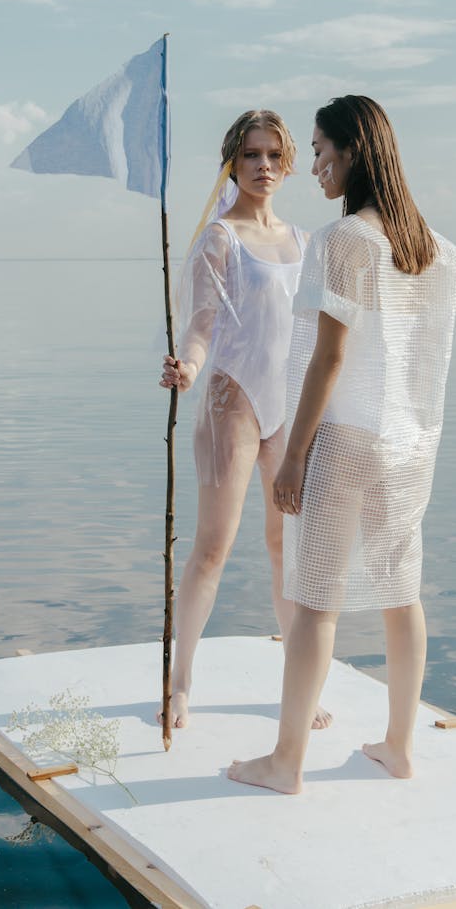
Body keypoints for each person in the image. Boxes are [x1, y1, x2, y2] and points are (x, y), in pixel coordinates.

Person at [228, 95, 456, 792]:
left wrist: (294, 452)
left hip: (348, 438)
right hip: (409, 444)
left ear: (354, 152)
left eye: (323, 154)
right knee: (401, 593)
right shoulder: (433, 248)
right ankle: (397, 745)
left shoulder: (343, 241)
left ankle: (286, 761)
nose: (317, 169)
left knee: (313, 601)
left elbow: (329, 358)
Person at [158, 109, 332, 731]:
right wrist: (188, 368)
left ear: (288, 165)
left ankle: (300, 686)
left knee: (288, 547)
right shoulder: (219, 239)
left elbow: (317, 338)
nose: (264, 167)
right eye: (253, 155)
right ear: (233, 162)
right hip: (234, 402)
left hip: (290, 407)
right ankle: (180, 686)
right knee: (212, 549)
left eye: (275, 157)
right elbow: (203, 326)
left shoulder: (306, 241)